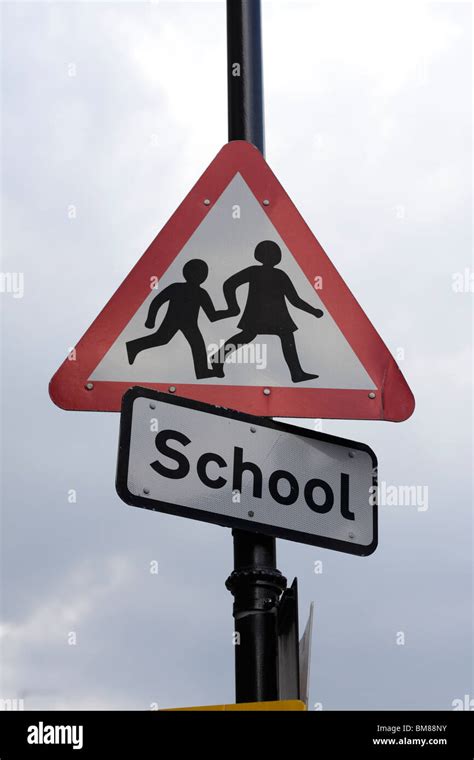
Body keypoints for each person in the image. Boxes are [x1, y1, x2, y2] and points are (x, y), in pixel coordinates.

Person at [209, 240, 324, 383]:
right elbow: (229, 284)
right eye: (272, 253)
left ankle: (297, 373)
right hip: (259, 315)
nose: (275, 256)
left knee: (268, 336)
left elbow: (294, 299)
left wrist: (313, 311)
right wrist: (233, 306)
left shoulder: (280, 274)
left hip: (276, 315)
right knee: (251, 336)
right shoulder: (254, 271)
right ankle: (218, 359)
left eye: (276, 254)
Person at [126, 259, 228, 379]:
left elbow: (212, 315)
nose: (201, 275)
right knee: (162, 339)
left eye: (203, 273)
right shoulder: (176, 287)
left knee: (197, 345)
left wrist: (229, 313)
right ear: (188, 273)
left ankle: (202, 371)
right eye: (199, 272)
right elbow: (157, 301)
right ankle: (133, 346)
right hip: (173, 320)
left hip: (190, 324)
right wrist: (150, 320)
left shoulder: (201, 293)